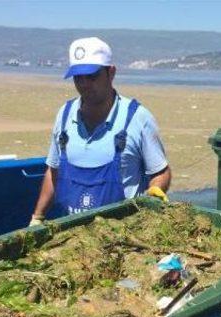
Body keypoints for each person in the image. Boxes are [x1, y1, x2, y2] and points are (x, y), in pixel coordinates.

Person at [30, 37, 171, 225]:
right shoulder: (64, 115)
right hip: (72, 237)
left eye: (92, 76)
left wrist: (155, 191)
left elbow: (161, 171)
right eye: (78, 77)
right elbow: (53, 171)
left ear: (111, 72)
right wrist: (38, 217)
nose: (85, 84)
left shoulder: (137, 118)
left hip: (123, 237)